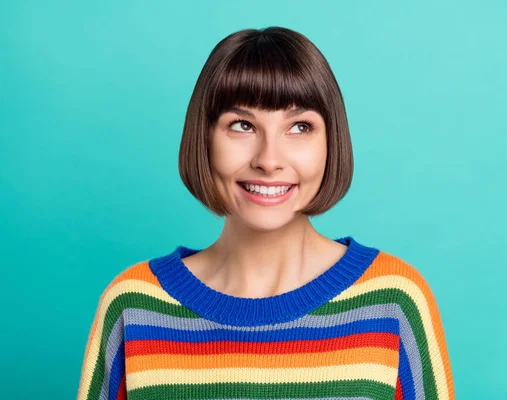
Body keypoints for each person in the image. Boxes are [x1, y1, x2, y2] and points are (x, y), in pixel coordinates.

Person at [76, 26, 454, 400]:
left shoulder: (393, 301)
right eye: (242, 126)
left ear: (331, 143)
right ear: (204, 138)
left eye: (300, 127)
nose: (269, 161)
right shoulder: (135, 305)